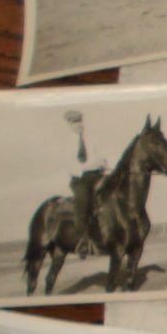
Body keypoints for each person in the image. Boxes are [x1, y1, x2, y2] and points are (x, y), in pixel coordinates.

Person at [62, 110, 108, 258]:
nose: (78, 125)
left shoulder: (91, 139)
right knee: (82, 202)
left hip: (97, 175)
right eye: (75, 123)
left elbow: (101, 157)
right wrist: (89, 167)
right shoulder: (66, 143)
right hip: (80, 179)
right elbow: (71, 167)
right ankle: (82, 241)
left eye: (80, 122)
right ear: (70, 125)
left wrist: (102, 163)